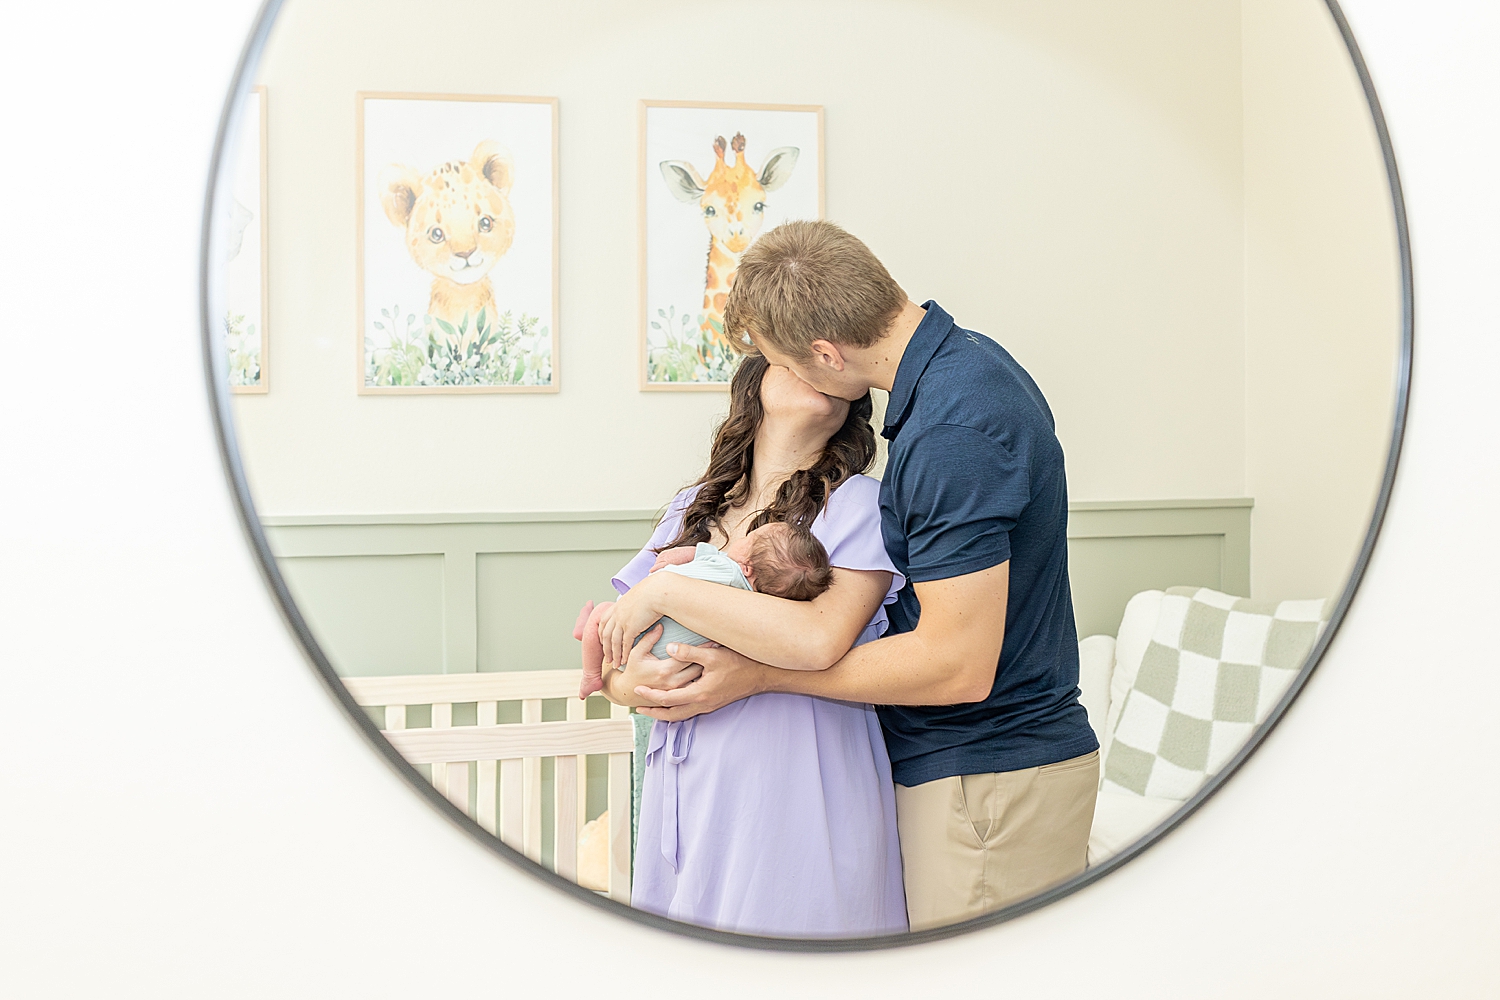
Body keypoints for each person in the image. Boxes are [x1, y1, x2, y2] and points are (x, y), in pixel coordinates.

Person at [604, 220, 1100, 932]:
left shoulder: (945, 434)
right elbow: (619, 651)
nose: (797, 379)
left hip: (985, 769)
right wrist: (630, 674)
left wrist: (741, 659)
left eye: (790, 361)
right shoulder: (958, 385)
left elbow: (955, 665)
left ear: (826, 356)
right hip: (943, 770)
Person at [593, 355, 908, 938]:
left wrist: (668, 590)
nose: (817, 364)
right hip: (689, 795)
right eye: (793, 355)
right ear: (752, 387)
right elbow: (614, 662)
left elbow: (816, 640)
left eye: (831, 360)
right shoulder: (691, 510)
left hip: (798, 787)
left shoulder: (859, 505)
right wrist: (629, 683)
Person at [574, 522, 832, 699]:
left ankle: (589, 674)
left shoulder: (726, 569)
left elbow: (686, 565)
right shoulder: (756, 607)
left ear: (747, 567)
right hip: (673, 661)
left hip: (638, 639)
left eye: (748, 539)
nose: (741, 539)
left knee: (600, 616)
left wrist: (682, 555)